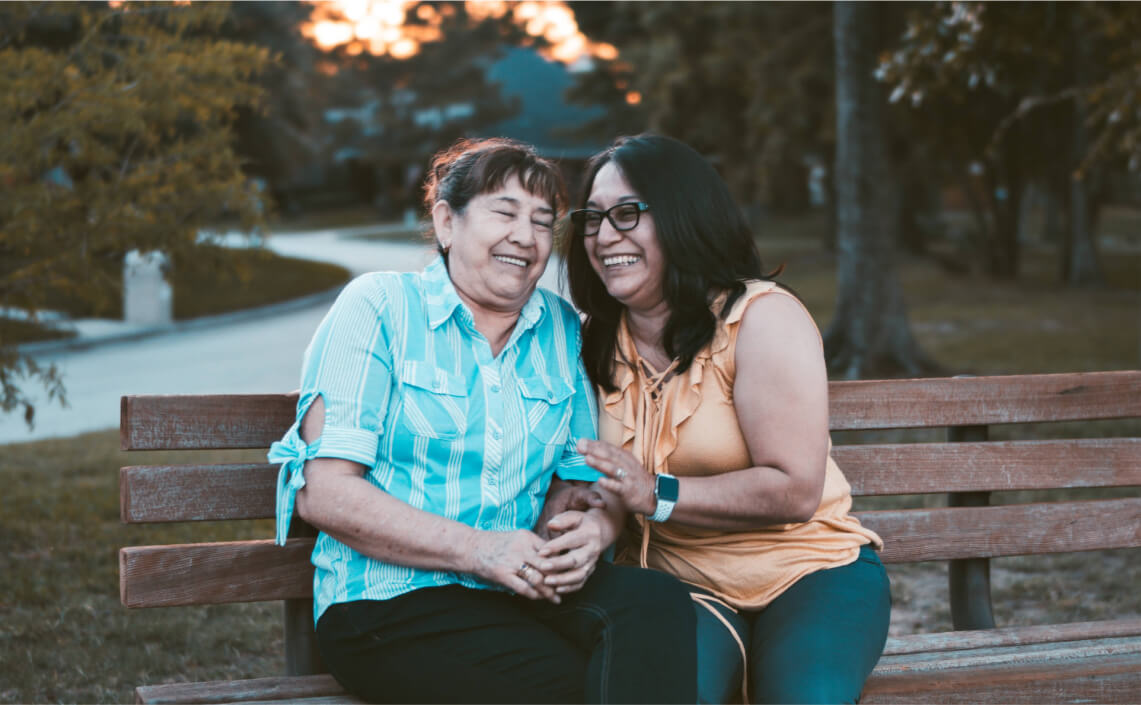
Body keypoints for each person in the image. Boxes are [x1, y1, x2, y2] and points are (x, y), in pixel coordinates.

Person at [268, 137, 697, 704]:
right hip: (390, 604)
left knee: (655, 603)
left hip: (517, 590)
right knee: (570, 686)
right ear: (447, 222)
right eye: (505, 212)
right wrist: (481, 550)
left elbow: (577, 478)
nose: (526, 236)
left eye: (544, 222)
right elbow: (325, 494)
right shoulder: (379, 307)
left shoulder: (561, 328)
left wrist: (583, 532)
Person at [563, 134, 891, 704]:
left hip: (810, 574)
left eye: (626, 213)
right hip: (680, 587)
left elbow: (793, 490)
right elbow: (607, 481)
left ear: (684, 217)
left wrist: (655, 492)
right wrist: (592, 522)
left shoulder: (760, 319)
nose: (604, 235)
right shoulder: (592, 341)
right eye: (592, 218)